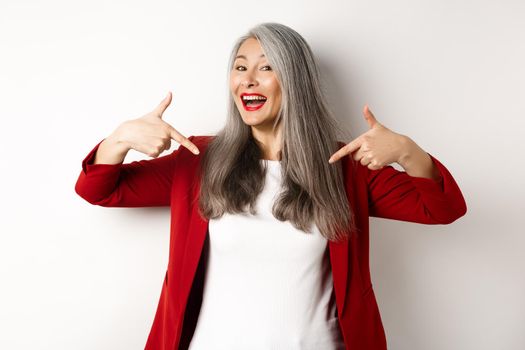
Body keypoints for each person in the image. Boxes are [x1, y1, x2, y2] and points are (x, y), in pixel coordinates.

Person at [74, 22, 467, 350]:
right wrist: (120, 140)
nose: (247, 79)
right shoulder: (199, 160)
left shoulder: (345, 167)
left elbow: (442, 209)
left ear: (294, 80)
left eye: (265, 68)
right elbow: (100, 189)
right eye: (240, 67)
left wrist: (406, 151)